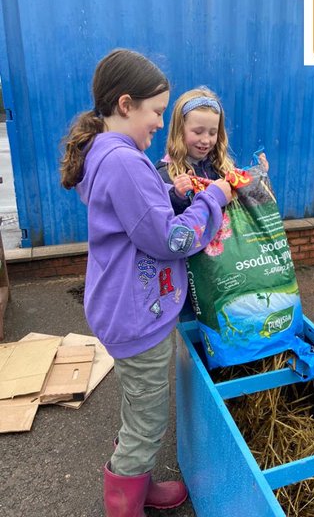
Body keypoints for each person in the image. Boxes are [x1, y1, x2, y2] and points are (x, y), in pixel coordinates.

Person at [60, 49, 233, 517]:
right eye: (156, 112)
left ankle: (135, 478)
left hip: (124, 306)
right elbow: (172, 239)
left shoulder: (108, 151)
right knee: (148, 417)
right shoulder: (123, 162)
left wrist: (171, 194)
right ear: (125, 104)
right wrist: (212, 199)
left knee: (141, 408)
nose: (160, 123)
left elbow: (140, 216)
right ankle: (124, 504)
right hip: (138, 317)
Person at [156, 85, 268, 214]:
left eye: (212, 133)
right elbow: (162, 221)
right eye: (198, 132)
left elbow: (246, 203)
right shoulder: (165, 173)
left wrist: (257, 176)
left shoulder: (223, 167)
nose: (205, 140)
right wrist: (177, 196)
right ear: (179, 131)